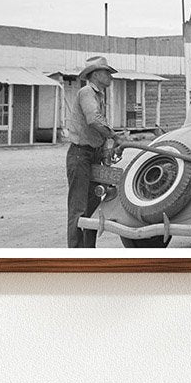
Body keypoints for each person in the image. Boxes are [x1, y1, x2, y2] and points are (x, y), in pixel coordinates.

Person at [65, 56, 120, 248]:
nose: (110, 77)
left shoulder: (99, 96)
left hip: (92, 154)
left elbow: (97, 128)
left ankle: (89, 251)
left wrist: (105, 149)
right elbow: (94, 120)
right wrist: (115, 136)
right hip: (80, 155)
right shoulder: (87, 92)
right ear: (96, 74)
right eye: (107, 73)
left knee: (93, 208)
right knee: (79, 209)